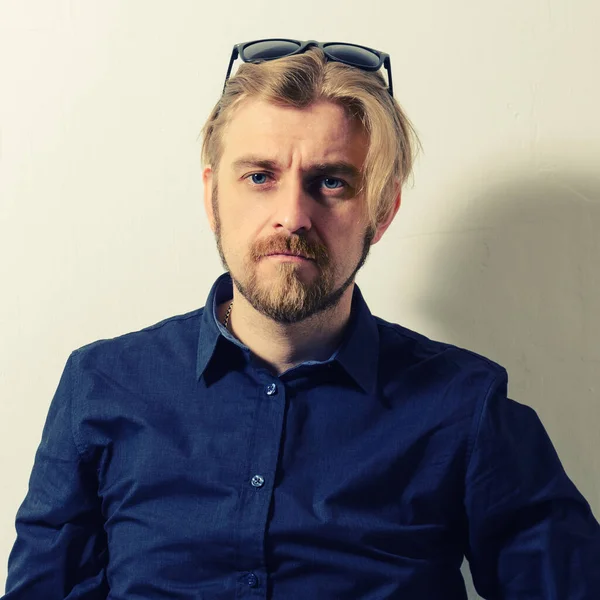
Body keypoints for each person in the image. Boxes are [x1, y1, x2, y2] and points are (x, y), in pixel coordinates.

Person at [3, 39, 599, 600]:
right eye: (259, 176)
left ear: (382, 211)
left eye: (331, 182)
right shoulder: (101, 384)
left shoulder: (465, 406)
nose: (292, 215)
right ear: (213, 196)